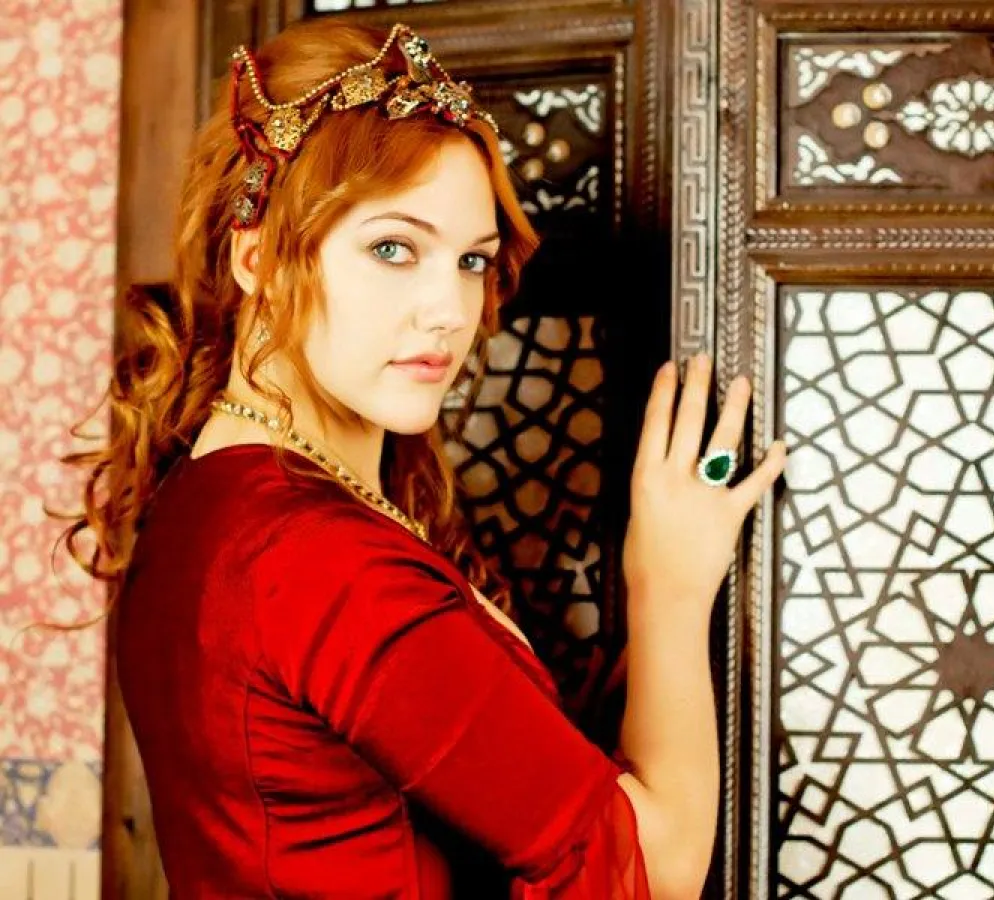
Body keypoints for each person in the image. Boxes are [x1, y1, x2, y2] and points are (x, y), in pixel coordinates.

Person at [63, 17, 786, 899]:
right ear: (260, 258)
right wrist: (667, 588)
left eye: (472, 261)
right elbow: (659, 868)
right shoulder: (318, 561)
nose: (450, 309)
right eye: (393, 249)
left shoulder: (206, 496)